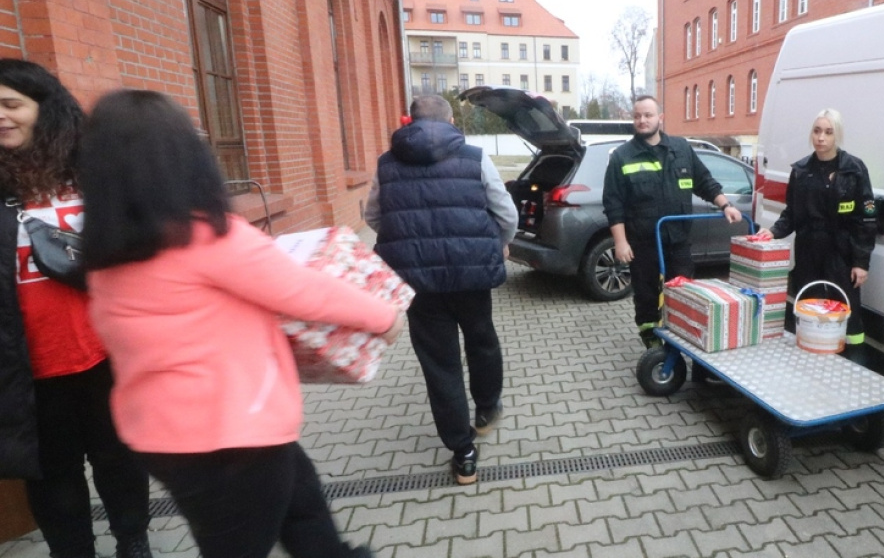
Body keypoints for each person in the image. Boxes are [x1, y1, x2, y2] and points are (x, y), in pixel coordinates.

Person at [77, 89, 404, 558]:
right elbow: (303, 291)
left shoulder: (106, 252)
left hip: (167, 433)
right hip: (233, 436)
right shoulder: (207, 237)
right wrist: (384, 316)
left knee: (306, 513)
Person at [0, 59, 152, 558]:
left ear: (45, 108)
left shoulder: (90, 170)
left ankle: (132, 539)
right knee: (52, 471)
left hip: (106, 351)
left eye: (10, 104)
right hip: (28, 365)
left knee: (119, 457)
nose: (0, 117)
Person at [365, 94, 517, 485]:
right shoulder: (475, 156)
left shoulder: (386, 164)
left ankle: (463, 453)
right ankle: (486, 407)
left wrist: (409, 243)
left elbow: (374, 216)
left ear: (409, 122)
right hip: (471, 273)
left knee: (440, 364)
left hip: (419, 283)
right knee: (481, 339)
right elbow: (506, 213)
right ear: (451, 120)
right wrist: (498, 242)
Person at [602, 95, 743, 349]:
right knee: (646, 297)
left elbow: (704, 182)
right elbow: (613, 204)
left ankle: (682, 339)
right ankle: (652, 344)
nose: (642, 121)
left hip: (677, 242)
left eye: (648, 115)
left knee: (683, 294)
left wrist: (725, 205)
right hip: (643, 244)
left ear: (660, 118)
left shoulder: (681, 149)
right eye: (637, 116)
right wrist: (620, 242)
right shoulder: (622, 157)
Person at [754, 109, 877, 362]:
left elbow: (865, 220)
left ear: (837, 135)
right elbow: (792, 213)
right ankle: (811, 357)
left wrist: (860, 262)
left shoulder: (854, 169)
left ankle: (855, 360)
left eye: (828, 132)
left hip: (841, 250)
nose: (821, 137)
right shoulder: (800, 170)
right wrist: (773, 232)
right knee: (809, 305)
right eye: (817, 131)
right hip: (809, 247)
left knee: (847, 308)